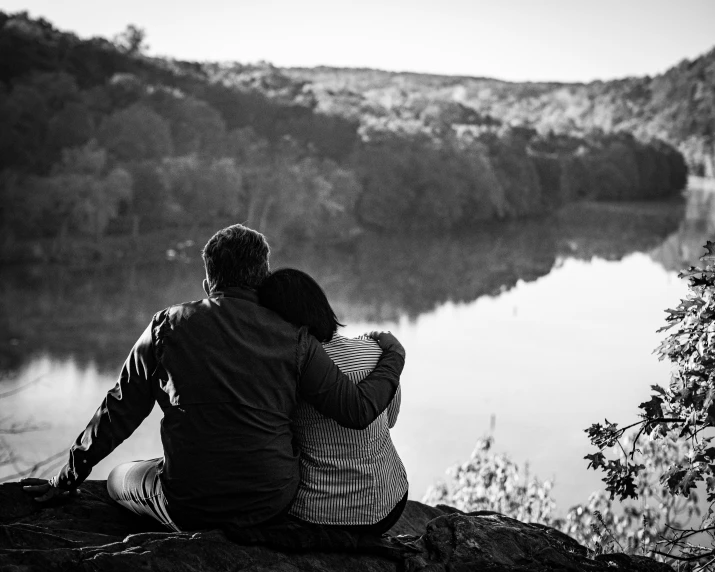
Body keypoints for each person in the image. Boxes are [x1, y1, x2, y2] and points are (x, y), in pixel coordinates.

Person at [22, 224, 406, 532]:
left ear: (208, 284)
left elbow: (119, 409)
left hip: (190, 507)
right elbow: (356, 411)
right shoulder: (297, 339)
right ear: (264, 277)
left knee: (118, 478)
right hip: (273, 502)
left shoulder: (165, 327)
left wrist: (68, 478)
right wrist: (392, 357)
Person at [258, 268, 408, 534]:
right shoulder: (377, 351)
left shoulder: (286, 369)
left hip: (318, 515)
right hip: (390, 504)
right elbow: (390, 420)